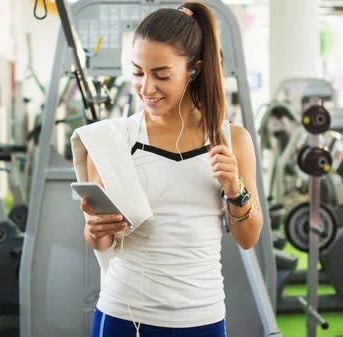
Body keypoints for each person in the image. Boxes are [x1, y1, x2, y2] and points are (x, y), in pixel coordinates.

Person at [73, 2, 263, 337]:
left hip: (202, 317)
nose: (146, 88)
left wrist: (236, 189)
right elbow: (100, 244)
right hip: (124, 316)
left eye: (161, 75)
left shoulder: (233, 140)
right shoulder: (111, 140)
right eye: (137, 73)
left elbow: (248, 239)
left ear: (195, 69)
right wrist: (94, 228)